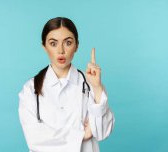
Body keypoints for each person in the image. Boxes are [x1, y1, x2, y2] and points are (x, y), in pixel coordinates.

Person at [18, 17, 115, 152]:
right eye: (53, 43)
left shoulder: (89, 83)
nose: (61, 50)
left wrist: (97, 88)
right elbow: (35, 139)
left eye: (68, 43)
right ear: (44, 47)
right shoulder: (30, 89)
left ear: (76, 46)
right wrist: (82, 135)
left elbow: (102, 132)